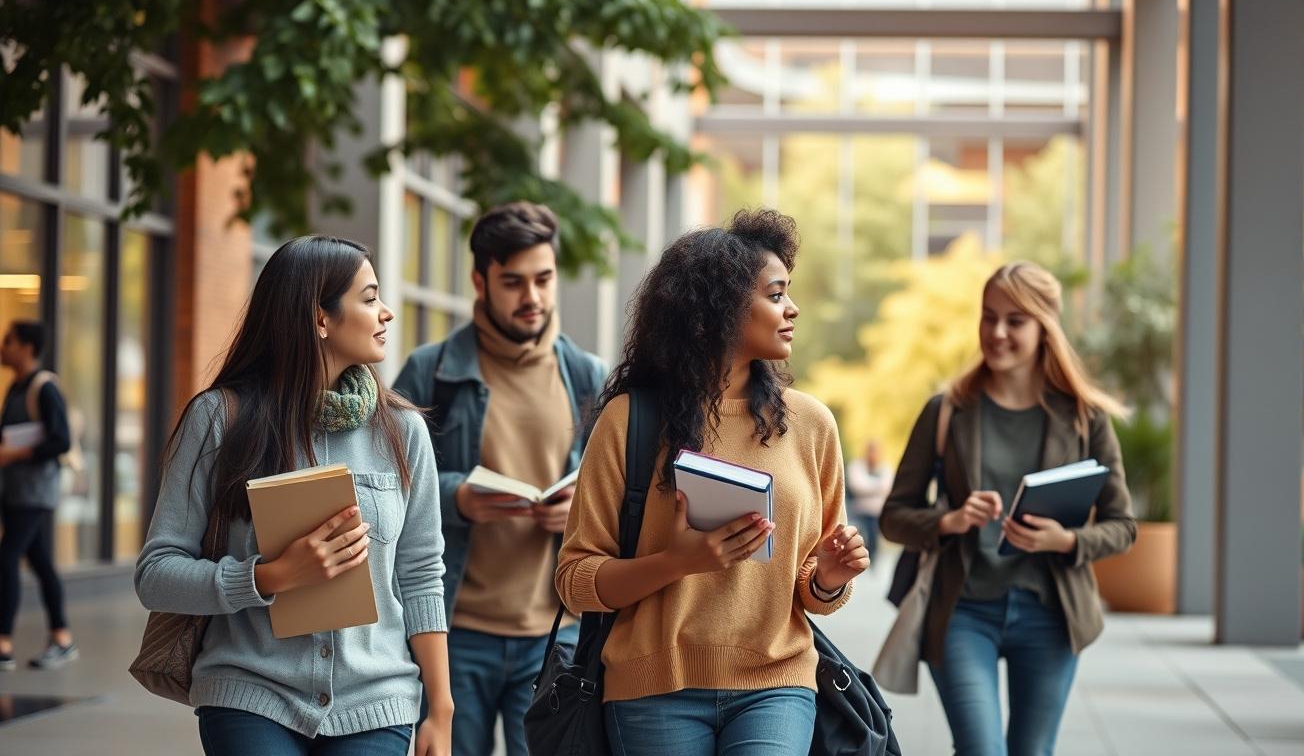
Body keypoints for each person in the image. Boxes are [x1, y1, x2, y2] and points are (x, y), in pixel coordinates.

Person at [555, 209, 870, 756]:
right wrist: (676, 562)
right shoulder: (629, 422)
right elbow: (576, 581)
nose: (791, 308)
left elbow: (814, 590)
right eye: (775, 295)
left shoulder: (811, 425)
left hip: (777, 682)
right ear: (712, 314)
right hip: (652, 688)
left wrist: (830, 578)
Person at [135, 236, 452, 756]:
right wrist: (269, 576)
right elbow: (155, 575)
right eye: (369, 298)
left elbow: (420, 574)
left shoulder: (402, 430)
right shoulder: (218, 419)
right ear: (319, 318)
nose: (386, 312)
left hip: (377, 700)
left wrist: (440, 708)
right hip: (249, 693)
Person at [881, 261, 1136, 756]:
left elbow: (1122, 525)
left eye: (1015, 321)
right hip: (962, 611)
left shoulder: (1085, 417)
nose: (996, 333)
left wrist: (1066, 541)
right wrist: (949, 520)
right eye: (988, 317)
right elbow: (894, 516)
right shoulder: (946, 410)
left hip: (1050, 615)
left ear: (1045, 328)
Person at [393, 201, 606, 756]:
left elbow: (618, 492)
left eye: (543, 279)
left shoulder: (588, 376)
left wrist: (579, 508)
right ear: (480, 280)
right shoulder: (430, 371)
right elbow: (383, 492)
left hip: (555, 636)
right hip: (454, 632)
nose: (532, 297)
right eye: (513, 282)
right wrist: (456, 496)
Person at [0, 320, 76, 671]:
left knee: (7, 557)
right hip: (15, 490)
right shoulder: (16, 387)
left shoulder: (45, 388)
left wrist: (16, 454)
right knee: (42, 563)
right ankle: (62, 637)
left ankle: (3, 642)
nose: (3, 347)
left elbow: (61, 440)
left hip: (35, 493)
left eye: (9, 341)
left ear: (27, 347)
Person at [845, 439, 893, 567]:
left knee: (874, 538)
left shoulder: (885, 468)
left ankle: (872, 560)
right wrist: (878, 487)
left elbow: (888, 487)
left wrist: (869, 486)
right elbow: (857, 486)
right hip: (859, 511)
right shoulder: (856, 466)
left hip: (877, 512)